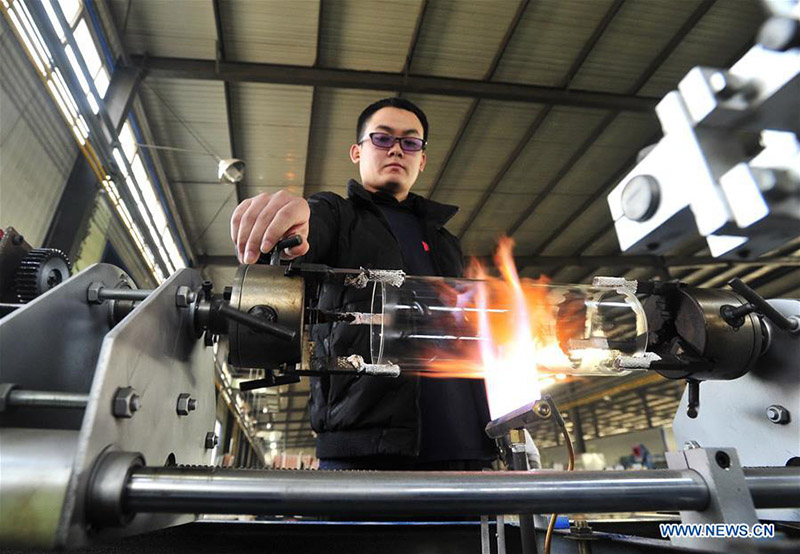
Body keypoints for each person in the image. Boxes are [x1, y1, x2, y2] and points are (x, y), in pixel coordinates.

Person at [230, 97, 496, 470]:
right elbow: (313, 223)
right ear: (357, 151)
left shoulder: (444, 240)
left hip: (466, 446)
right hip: (365, 451)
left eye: (410, 142)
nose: (397, 150)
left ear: (421, 159)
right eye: (383, 139)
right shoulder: (338, 215)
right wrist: (297, 219)